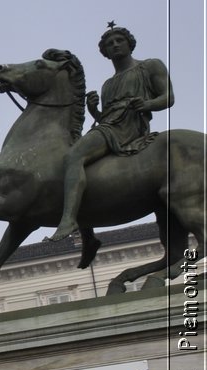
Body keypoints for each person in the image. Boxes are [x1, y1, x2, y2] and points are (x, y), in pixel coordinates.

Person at [51, 23, 175, 241]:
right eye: (110, 44)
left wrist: (147, 104)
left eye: (119, 41)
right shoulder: (108, 84)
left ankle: (70, 220)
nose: (115, 45)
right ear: (105, 52)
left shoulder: (150, 66)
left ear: (130, 44)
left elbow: (169, 97)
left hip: (130, 126)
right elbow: (107, 118)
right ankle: (87, 233)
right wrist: (94, 111)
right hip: (109, 127)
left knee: (73, 156)